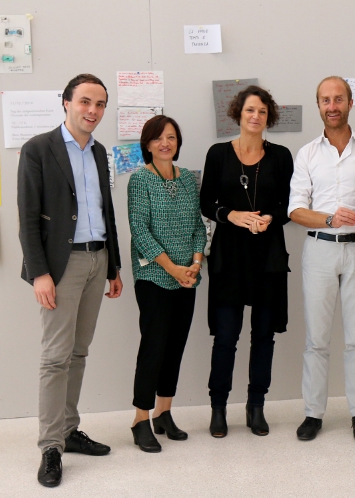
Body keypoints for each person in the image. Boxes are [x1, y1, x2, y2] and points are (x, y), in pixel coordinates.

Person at [17, 73, 122, 488]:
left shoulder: (98, 151)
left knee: (79, 352)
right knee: (55, 358)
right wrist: (39, 272)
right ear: (66, 103)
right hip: (61, 266)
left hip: (98, 258)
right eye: (85, 102)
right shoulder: (38, 149)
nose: (92, 111)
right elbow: (28, 216)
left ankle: (68, 430)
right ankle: (50, 447)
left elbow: (104, 209)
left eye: (100, 104)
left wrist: (112, 266)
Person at [288, 76, 355, 442]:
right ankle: (313, 413)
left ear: (349, 102)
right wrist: (329, 219)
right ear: (319, 105)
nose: (332, 106)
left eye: (338, 99)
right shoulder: (307, 154)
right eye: (325, 100)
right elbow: (296, 210)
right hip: (320, 250)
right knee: (316, 339)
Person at [200, 86, 294, 437]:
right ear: (238, 114)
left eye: (262, 112)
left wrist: (269, 218)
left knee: (264, 336)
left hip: (268, 255)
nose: (256, 116)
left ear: (269, 118)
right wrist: (232, 215)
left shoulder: (281, 156)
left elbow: (290, 204)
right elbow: (206, 202)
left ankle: (256, 406)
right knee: (226, 336)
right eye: (250, 110)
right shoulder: (218, 154)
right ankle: (218, 407)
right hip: (229, 256)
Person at [127, 115, 206, 453]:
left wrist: (195, 264)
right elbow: (139, 231)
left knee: (175, 346)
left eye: (171, 137)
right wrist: (172, 268)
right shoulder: (139, 180)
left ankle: (163, 413)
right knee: (154, 346)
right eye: (158, 138)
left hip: (187, 277)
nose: (165, 143)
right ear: (147, 144)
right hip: (154, 276)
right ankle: (140, 419)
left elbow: (199, 226)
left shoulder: (187, 178)